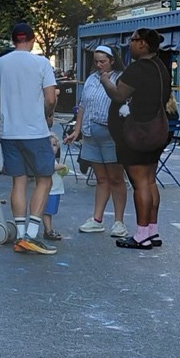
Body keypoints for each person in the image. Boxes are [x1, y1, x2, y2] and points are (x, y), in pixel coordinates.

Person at [0, 22, 60, 254]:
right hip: (35, 131)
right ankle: (31, 234)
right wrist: (47, 115)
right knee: (44, 178)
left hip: (10, 131)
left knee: (18, 181)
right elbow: (50, 98)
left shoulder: (1, 63)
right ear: (32, 40)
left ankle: (20, 234)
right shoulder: (41, 63)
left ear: (13, 40)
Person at [101, 28, 172, 250]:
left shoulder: (138, 68)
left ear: (142, 44)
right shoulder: (160, 67)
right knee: (149, 180)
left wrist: (105, 81)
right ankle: (152, 229)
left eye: (132, 41)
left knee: (140, 182)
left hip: (137, 134)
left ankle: (141, 234)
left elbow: (119, 94)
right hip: (156, 131)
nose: (129, 45)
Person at [65, 47, 129, 238]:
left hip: (111, 133)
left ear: (112, 60)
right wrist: (77, 130)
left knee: (116, 178)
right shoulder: (92, 78)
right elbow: (83, 105)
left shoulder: (120, 77)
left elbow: (123, 101)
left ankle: (119, 222)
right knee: (101, 179)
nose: (99, 65)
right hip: (90, 132)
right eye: (97, 61)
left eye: (103, 61)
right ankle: (97, 219)